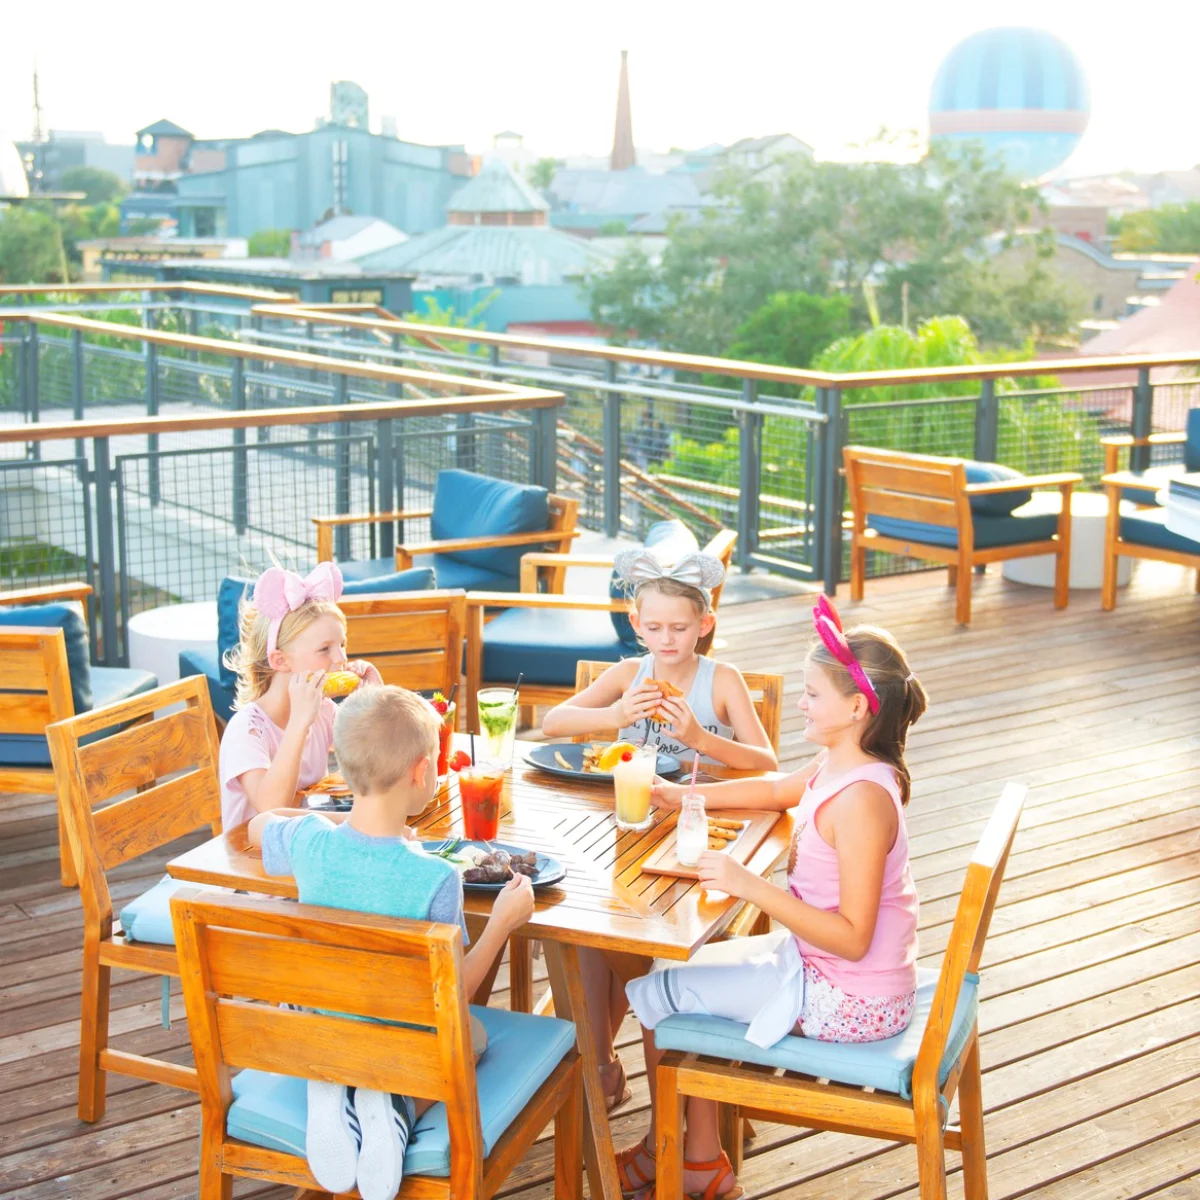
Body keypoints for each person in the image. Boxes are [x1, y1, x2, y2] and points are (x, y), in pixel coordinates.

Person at [615, 596, 928, 1200]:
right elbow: (779, 787)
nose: (801, 703)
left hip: (850, 997)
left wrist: (747, 884)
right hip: (827, 971)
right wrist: (677, 797)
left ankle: (683, 1156)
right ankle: (693, 1155)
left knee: (662, 994)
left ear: (858, 707)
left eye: (812, 694)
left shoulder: (862, 801)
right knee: (680, 967)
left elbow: (853, 936)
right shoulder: (842, 764)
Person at [246, 686, 535, 1200]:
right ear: (422, 772)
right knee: (475, 1036)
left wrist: (328, 820)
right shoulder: (435, 878)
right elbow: (453, 992)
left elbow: (259, 824)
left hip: (319, 1030)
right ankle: (395, 1107)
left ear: (345, 761)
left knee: (352, 1020)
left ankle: (331, 1087)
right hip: (398, 1045)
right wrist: (502, 925)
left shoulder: (309, 842)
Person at [541, 544, 778, 1115]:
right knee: (582, 926)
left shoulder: (722, 681)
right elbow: (552, 724)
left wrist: (699, 736)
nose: (667, 639)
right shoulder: (629, 673)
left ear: (705, 624)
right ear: (636, 626)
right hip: (621, 835)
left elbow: (767, 761)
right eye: (655, 627)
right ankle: (599, 1066)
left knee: (614, 939)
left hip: (697, 843)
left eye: (679, 627)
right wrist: (617, 714)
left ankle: (613, 1069)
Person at [218, 562, 382, 830]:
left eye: (342, 645)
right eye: (324, 649)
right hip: (253, 860)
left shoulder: (324, 711)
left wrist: (373, 702)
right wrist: (299, 722)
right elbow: (272, 808)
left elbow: (376, 766)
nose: (340, 659)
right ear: (281, 661)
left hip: (307, 845)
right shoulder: (246, 731)